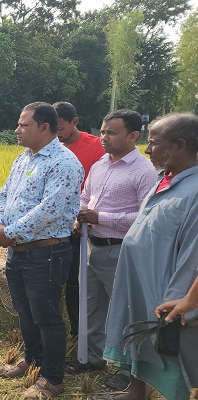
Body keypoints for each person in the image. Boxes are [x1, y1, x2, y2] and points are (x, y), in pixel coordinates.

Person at [102, 113, 198, 400]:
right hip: (139, 281)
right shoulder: (165, 179)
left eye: (154, 143)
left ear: (179, 145)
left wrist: (185, 300)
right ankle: (135, 392)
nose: (146, 149)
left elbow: (193, 253)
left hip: (167, 290)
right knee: (138, 340)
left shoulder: (195, 191)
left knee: (174, 351)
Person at [0, 102, 83, 399]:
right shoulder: (24, 159)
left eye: (23, 125)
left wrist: (10, 232)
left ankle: (52, 378)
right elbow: (4, 193)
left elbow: (51, 210)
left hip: (46, 253)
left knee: (47, 317)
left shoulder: (63, 163)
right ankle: (32, 360)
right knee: (25, 312)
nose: (17, 130)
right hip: (19, 252)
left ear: (45, 128)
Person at [63, 110, 157, 375]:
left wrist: (100, 217)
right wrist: (79, 219)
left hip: (120, 250)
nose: (104, 137)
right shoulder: (99, 165)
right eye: (103, 131)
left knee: (125, 310)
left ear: (133, 135)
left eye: (112, 133)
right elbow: (85, 197)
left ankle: (128, 371)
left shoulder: (143, 171)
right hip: (91, 247)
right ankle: (93, 358)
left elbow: (145, 216)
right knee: (91, 306)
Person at [52, 101, 105, 338]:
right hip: (53, 226)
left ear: (75, 122)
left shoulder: (96, 147)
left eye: (60, 128)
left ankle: (79, 333)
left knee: (77, 283)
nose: (56, 134)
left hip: (81, 226)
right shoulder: (48, 145)